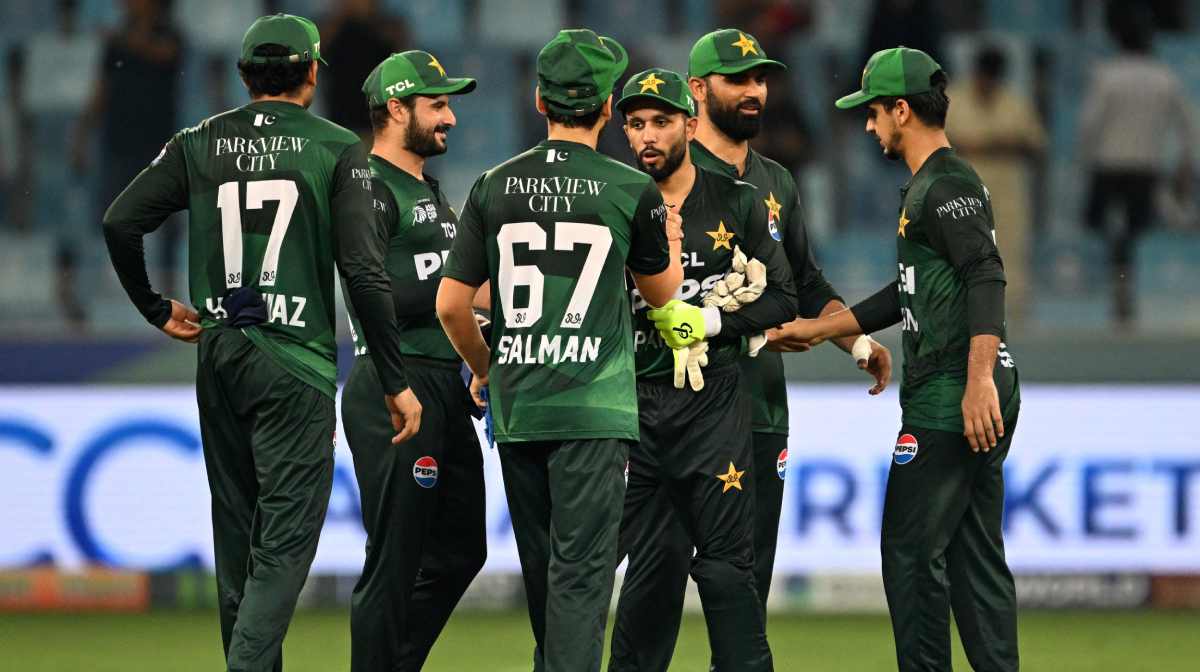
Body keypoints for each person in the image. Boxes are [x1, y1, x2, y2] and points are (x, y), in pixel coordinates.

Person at [101, 14, 420, 671]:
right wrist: (393, 378)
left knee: (237, 537)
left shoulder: (200, 142)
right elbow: (362, 271)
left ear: (245, 78)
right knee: (285, 542)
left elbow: (120, 220)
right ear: (310, 75)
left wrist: (154, 305)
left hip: (219, 351)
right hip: (293, 360)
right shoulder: (338, 148)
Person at [609, 28, 893, 671]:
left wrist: (853, 341)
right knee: (653, 584)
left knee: (742, 583)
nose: (756, 92)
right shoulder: (658, 179)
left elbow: (804, 282)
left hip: (758, 410)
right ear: (699, 92)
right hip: (666, 410)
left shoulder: (775, 182)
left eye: (761, 79)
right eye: (739, 80)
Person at [435, 29, 682, 672]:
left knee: (546, 579)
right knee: (580, 582)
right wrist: (671, 244)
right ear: (606, 108)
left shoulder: (492, 185)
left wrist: (488, 370)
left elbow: (451, 306)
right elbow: (663, 296)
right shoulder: (631, 189)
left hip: (520, 409)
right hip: (593, 412)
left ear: (540, 104)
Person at [775, 46, 1021, 671]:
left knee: (910, 552)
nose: (867, 125)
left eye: (873, 111)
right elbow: (907, 290)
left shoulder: (946, 185)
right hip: (964, 381)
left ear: (902, 110)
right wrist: (826, 327)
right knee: (973, 556)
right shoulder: (934, 186)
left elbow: (987, 275)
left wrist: (976, 380)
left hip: (952, 387)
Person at [610, 67, 796, 672]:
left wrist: (708, 323)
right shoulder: (612, 201)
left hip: (714, 406)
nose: (647, 137)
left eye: (661, 122)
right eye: (635, 124)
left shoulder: (738, 202)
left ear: (690, 124)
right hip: (631, 405)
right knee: (640, 568)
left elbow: (783, 298)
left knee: (724, 569)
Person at [343, 51, 485, 671]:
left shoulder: (425, 188)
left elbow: (458, 287)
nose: (450, 117)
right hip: (395, 385)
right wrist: (457, 304)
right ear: (396, 109)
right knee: (394, 560)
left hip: (442, 382)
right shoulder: (367, 186)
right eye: (437, 104)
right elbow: (374, 289)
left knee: (461, 550)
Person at [1079, 2, 1197, 326]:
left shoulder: (1107, 75)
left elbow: (1090, 124)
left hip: (1109, 164)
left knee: (1106, 228)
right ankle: (1123, 284)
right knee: (1131, 232)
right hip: (1145, 165)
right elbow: (1188, 124)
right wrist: (1185, 161)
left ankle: (1116, 284)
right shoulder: (1164, 77)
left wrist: (1085, 161)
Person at [945, 44, 1045, 324]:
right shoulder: (952, 101)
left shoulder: (1014, 103)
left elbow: (1036, 146)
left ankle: (1012, 316)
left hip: (1008, 188)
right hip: (962, 187)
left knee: (1010, 248)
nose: (987, 83)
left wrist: (1002, 143)